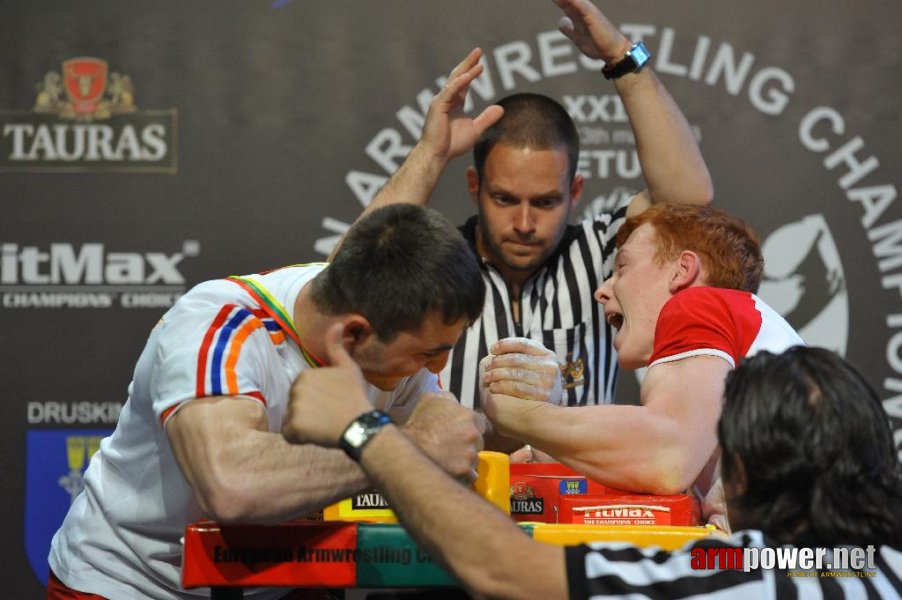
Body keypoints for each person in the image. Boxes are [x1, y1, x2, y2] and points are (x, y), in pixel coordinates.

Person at [46, 205, 488, 600]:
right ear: (353, 334)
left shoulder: (376, 308)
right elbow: (231, 486)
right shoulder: (217, 326)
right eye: (429, 353)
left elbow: (440, 421)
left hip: (273, 579)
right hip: (136, 583)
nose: (436, 368)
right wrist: (402, 451)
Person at [347, 0, 713, 442]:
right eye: (504, 198)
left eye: (544, 202)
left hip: (577, 506)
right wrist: (432, 151)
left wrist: (622, 59)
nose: (523, 222)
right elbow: (350, 277)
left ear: (575, 192)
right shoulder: (436, 263)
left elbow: (688, 198)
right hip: (447, 497)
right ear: (474, 185)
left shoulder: (605, 257)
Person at [285, 343, 902, 599]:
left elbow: (498, 566)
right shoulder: (876, 566)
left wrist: (366, 432)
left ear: (741, 472)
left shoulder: (735, 573)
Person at [481, 204, 806, 532]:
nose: (602, 290)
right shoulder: (737, 347)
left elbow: (665, 458)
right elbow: (647, 466)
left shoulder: (700, 304)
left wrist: (517, 415)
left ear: (682, 271)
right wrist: (543, 449)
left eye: (622, 267)